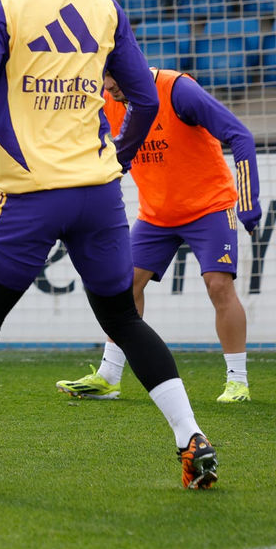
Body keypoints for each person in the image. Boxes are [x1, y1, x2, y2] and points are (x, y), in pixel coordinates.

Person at [0, 0, 216, 494]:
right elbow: (144, 97)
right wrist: (119, 156)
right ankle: (190, 436)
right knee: (122, 316)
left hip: (29, 195)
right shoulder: (101, 5)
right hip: (97, 193)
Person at [57, 67, 260, 403]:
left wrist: (249, 199)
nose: (108, 85)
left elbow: (240, 135)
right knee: (123, 286)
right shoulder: (106, 100)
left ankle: (237, 381)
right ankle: (109, 377)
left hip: (209, 207)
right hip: (156, 215)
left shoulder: (178, 90)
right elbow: (101, 157)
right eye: (104, 78)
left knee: (218, 284)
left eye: (114, 77)